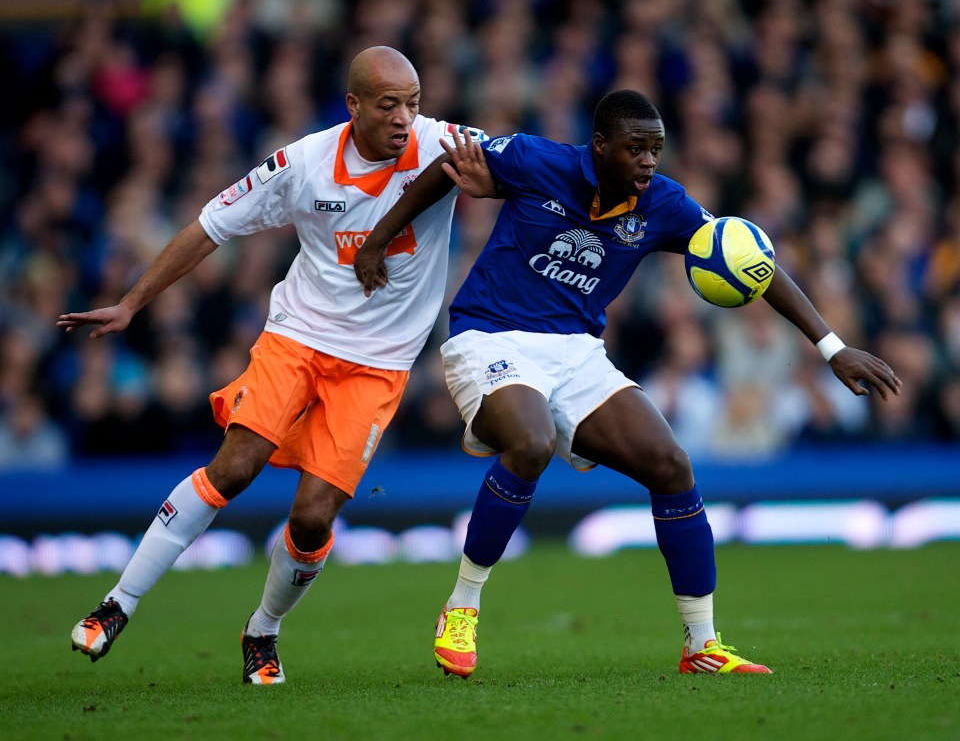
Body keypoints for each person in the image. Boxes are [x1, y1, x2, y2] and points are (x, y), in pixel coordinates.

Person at [355, 90, 902, 677]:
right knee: (532, 443)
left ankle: (702, 644)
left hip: (578, 354)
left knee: (671, 464)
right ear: (599, 147)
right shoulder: (538, 161)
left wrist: (833, 348)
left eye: (656, 150)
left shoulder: (664, 205)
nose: (648, 161)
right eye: (635, 148)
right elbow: (447, 165)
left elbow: (752, 263)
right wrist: (379, 238)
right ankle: (461, 607)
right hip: (490, 337)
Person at [59, 46, 485, 685]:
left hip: (378, 363)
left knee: (313, 517)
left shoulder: (444, 144)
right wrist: (130, 303)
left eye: (414, 103)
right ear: (354, 105)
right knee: (235, 466)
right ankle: (118, 603)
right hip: (300, 336)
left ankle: (262, 631)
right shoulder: (303, 163)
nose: (405, 118)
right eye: (389, 104)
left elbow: (529, 161)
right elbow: (211, 225)